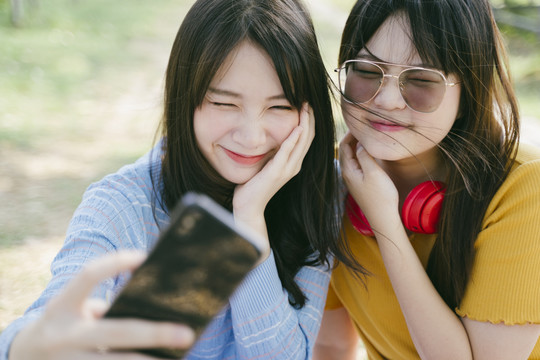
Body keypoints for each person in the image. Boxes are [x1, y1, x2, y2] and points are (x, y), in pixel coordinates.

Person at [0, 0, 341, 359]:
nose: (252, 137)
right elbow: (52, 318)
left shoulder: (319, 192)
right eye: (224, 104)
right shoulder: (125, 205)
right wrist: (31, 347)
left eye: (279, 107)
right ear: (185, 99)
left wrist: (249, 219)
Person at [313, 0, 540, 359]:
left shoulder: (523, 187)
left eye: (421, 80)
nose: (386, 100)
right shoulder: (329, 183)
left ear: (468, 93)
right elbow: (331, 344)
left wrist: (385, 223)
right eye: (367, 71)